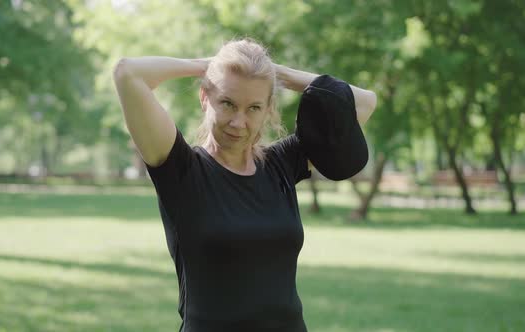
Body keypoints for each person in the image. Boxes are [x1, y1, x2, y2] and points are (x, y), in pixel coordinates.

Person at [113, 38, 376, 332]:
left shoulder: (282, 164)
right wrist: (208, 66)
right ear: (205, 98)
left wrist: (279, 75)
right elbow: (128, 73)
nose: (238, 122)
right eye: (227, 103)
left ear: (267, 110)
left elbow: (364, 101)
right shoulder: (180, 169)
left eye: (253, 108)